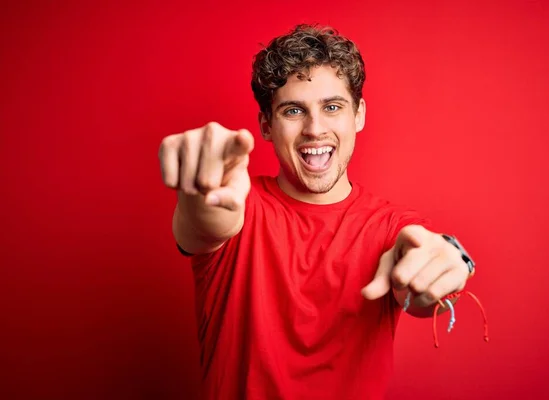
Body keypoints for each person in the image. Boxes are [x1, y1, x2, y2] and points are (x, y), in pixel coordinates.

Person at [158, 24, 480, 400]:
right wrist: (201, 193)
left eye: (332, 107)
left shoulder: (395, 229)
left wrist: (450, 263)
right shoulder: (237, 202)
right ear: (266, 125)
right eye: (294, 110)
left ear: (358, 114)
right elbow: (205, 222)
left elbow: (429, 278)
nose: (315, 129)